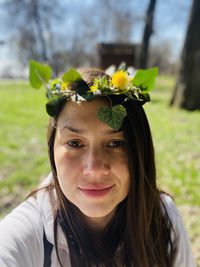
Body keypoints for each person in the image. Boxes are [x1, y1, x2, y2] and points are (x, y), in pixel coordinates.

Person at [0, 61, 196, 267]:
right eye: (75, 143)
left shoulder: (163, 218)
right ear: (52, 152)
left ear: (140, 150)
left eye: (116, 143)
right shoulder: (24, 236)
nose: (94, 169)